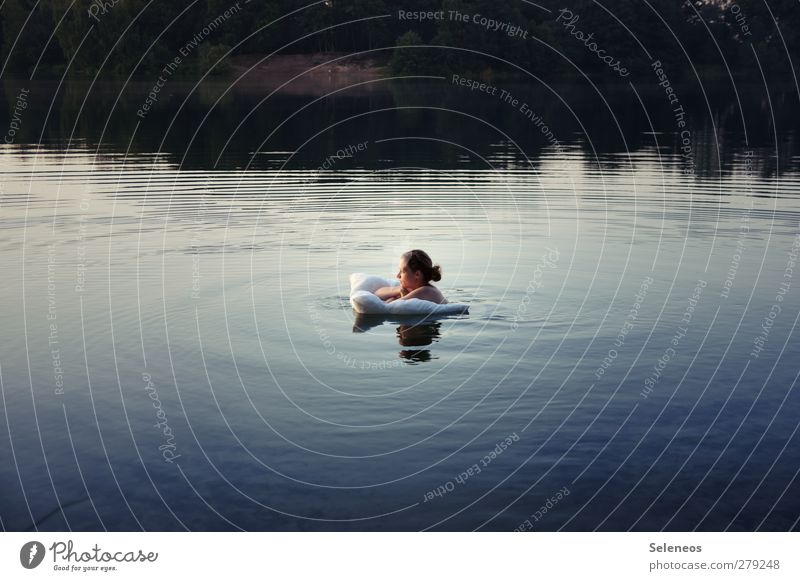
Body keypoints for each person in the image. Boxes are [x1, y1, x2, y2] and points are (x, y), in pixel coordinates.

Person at [375, 249, 448, 304]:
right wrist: (399, 290)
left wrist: (396, 297)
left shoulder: (426, 291)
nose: (398, 276)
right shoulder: (413, 289)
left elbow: (389, 306)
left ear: (417, 275)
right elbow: (377, 293)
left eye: (402, 271)